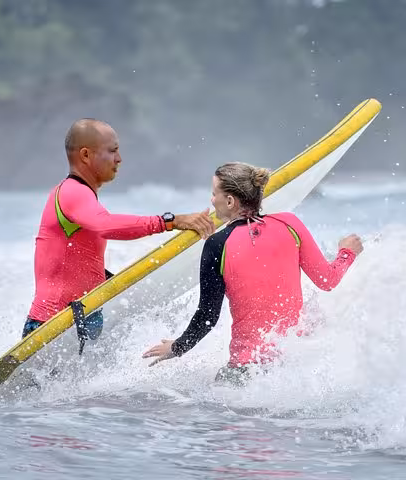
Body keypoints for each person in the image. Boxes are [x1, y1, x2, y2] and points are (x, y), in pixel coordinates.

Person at [142, 162, 363, 384]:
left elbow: (208, 316)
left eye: (214, 193)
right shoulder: (290, 223)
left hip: (246, 372)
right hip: (294, 367)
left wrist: (178, 346)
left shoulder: (217, 244)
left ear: (229, 201)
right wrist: (347, 253)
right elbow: (327, 280)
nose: (211, 200)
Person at [23, 118, 215, 353]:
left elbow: (76, 263)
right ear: (85, 155)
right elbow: (106, 225)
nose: (119, 158)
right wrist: (171, 221)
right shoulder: (72, 192)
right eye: (112, 151)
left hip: (79, 321)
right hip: (53, 328)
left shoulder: (79, 195)